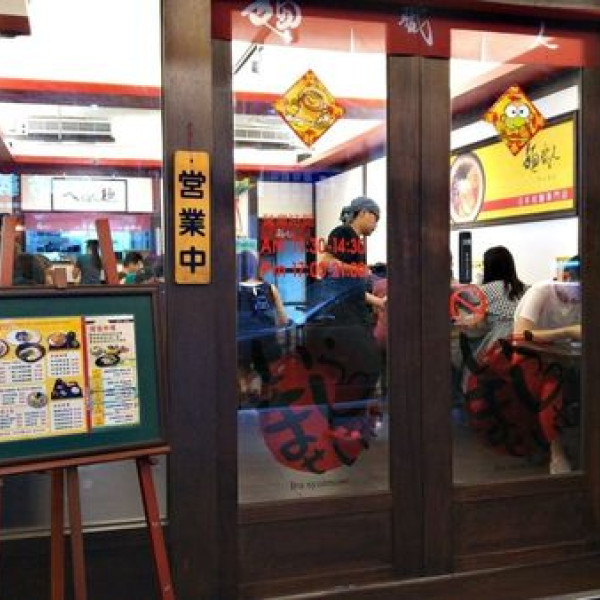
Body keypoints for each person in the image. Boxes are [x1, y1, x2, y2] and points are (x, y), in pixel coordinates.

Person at [513, 255, 581, 474]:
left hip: (564, 358)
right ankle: (556, 451)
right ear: (567, 277)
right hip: (531, 356)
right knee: (552, 388)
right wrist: (567, 331)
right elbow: (520, 335)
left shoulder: (585, 296)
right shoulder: (542, 291)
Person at [237, 250, 288, 404]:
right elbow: (284, 319)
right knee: (266, 372)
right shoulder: (270, 288)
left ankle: (244, 394)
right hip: (266, 342)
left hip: (242, 342)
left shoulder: (233, 290)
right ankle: (264, 399)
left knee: (242, 372)